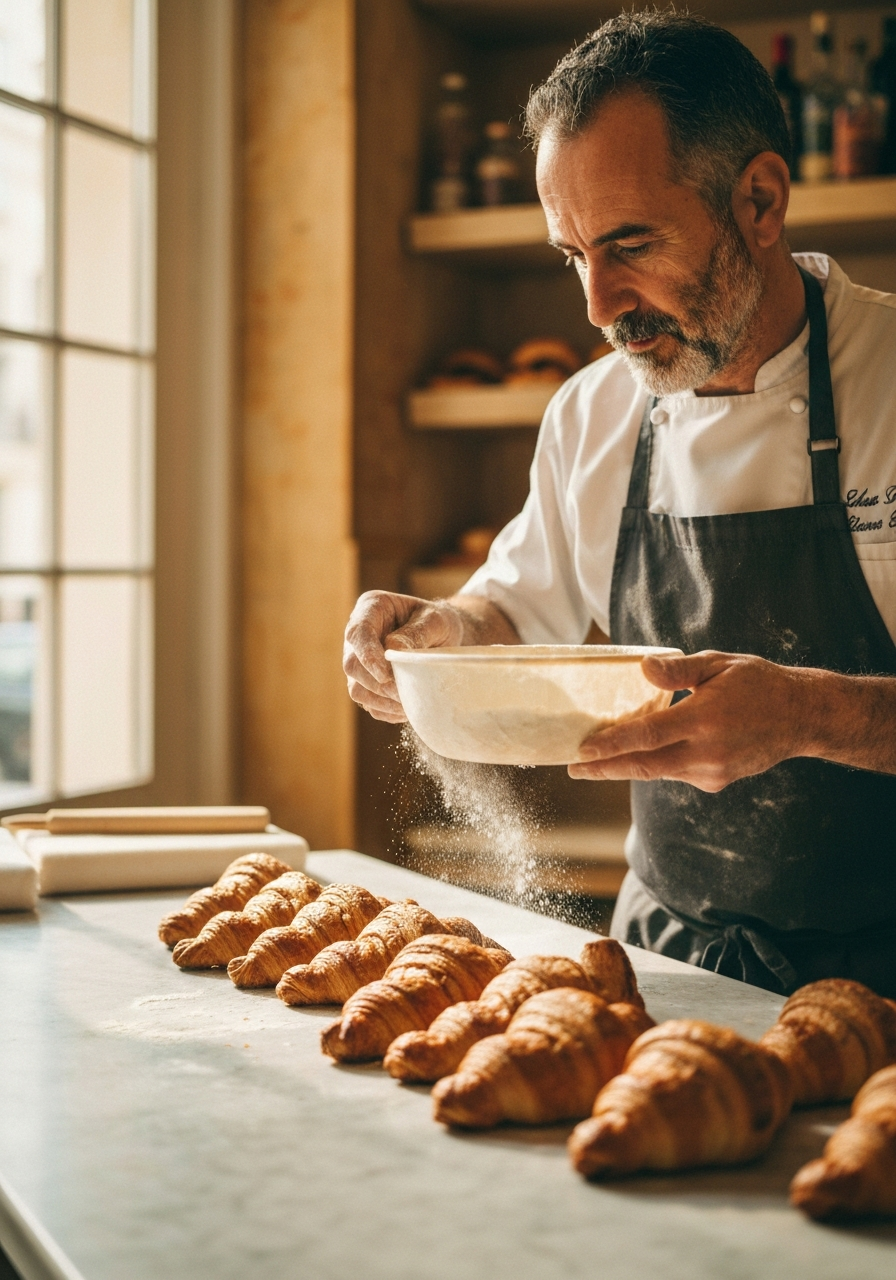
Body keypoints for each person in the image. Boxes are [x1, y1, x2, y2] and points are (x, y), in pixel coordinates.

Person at [343, 11, 896, 997]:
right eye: (571, 254)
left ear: (759, 200)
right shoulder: (592, 413)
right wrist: (432, 636)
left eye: (630, 243)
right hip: (669, 964)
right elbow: (509, 616)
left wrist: (810, 712)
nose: (598, 304)